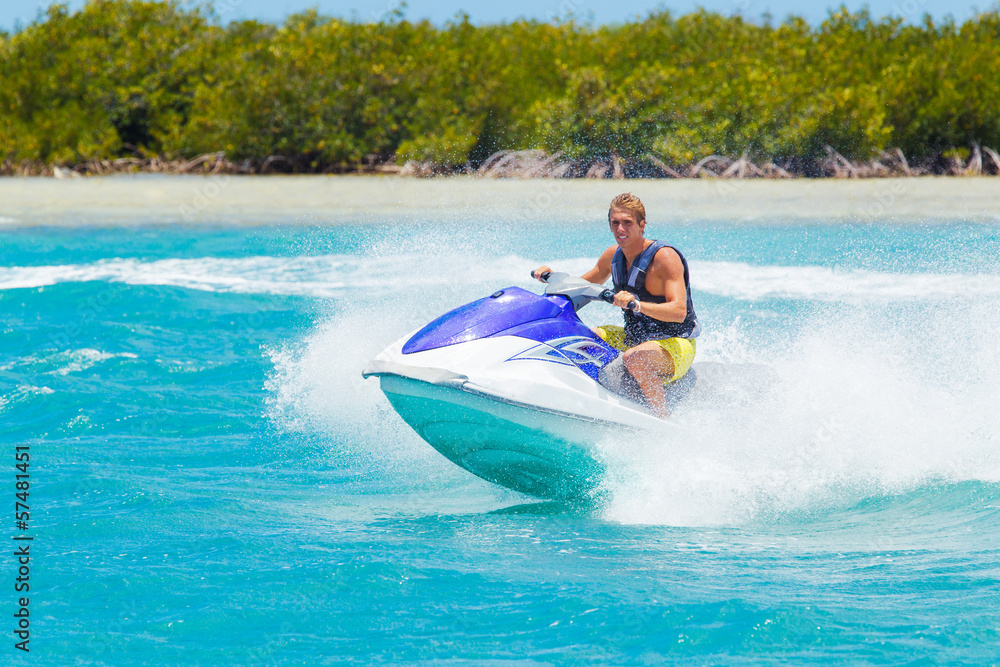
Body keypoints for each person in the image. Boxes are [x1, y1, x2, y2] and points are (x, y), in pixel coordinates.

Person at [532, 192, 699, 418]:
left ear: (642, 225)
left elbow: (679, 312)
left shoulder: (664, 258)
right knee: (580, 337)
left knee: (634, 358)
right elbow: (579, 286)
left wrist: (637, 304)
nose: (620, 229)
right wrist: (552, 276)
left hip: (674, 345)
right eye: (615, 223)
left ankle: (662, 420)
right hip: (634, 338)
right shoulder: (612, 257)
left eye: (627, 223)